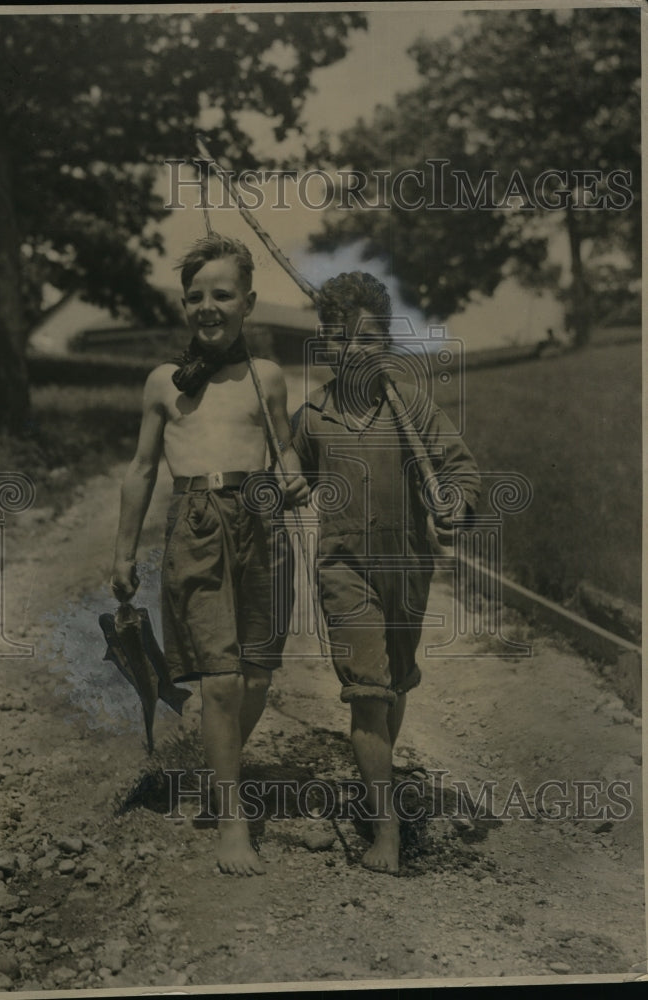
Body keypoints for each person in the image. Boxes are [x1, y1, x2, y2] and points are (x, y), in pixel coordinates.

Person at [111, 233, 308, 876]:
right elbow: (141, 470)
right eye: (195, 296)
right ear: (184, 306)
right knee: (219, 681)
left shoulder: (268, 377)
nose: (207, 306)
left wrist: (294, 474)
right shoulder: (164, 383)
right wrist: (123, 552)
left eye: (222, 294)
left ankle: (213, 767)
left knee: (254, 677)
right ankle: (232, 819)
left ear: (248, 302)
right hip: (195, 526)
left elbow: (286, 452)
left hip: (261, 525)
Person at [287, 271, 480, 874]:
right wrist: (287, 475)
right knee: (367, 696)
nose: (352, 350)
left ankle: (379, 787)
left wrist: (455, 504)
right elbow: (291, 464)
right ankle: (387, 834)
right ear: (324, 344)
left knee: (393, 686)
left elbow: (462, 471)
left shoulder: (412, 407)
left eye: (367, 338)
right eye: (338, 337)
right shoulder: (312, 416)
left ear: (388, 343)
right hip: (344, 570)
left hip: (408, 569)